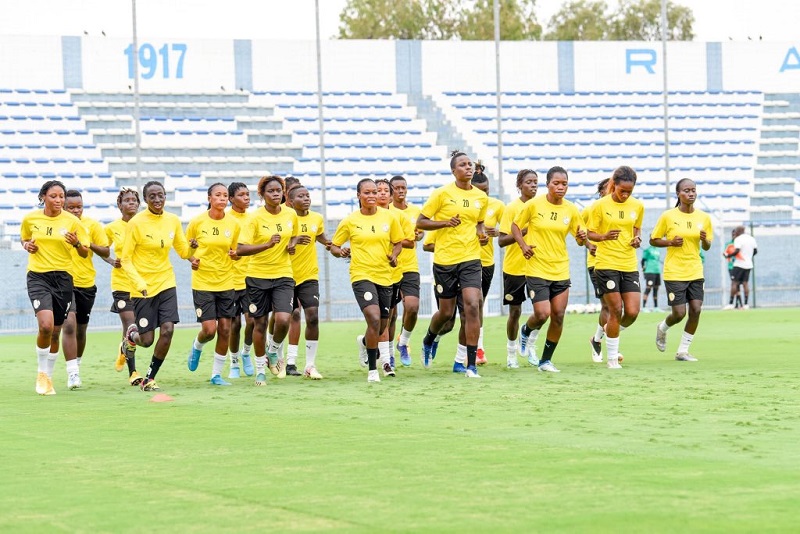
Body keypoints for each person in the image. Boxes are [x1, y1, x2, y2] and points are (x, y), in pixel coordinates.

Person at [417, 150, 488, 378]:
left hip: (470, 258)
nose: (468, 167)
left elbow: (479, 224)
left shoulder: (481, 197)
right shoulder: (441, 194)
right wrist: (445, 223)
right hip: (445, 261)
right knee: (446, 313)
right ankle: (429, 339)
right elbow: (421, 222)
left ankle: (469, 364)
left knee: (472, 306)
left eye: (470, 164)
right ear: (453, 171)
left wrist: (482, 234)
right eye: (463, 165)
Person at [120, 181, 194, 391]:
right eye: (152, 196)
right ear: (145, 200)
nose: (157, 200)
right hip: (142, 288)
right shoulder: (136, 223)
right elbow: (125, 259)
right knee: (146, 340)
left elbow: (183, 252)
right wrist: (139, 282)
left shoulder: (173, 220)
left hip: (166, 282)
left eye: (160, 195)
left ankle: (150, 377)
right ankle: (130, 338)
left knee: (168, 329)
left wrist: (192, 249)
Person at [511, 166, 586, 373]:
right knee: (542, 314)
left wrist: (583, 240)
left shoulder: (571, 209)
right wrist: (523, 245)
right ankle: (526, 330)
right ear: (548, 184)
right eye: (556, 183)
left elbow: (580, 237)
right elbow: (515, 226)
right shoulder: (534, 205)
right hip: (537, 268)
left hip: (561, 269)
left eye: (564, 184)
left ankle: (545, 361)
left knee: (559, 315)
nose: (561, 187)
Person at [330, 178, 403, 383]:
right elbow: (334, 246)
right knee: (373, 317)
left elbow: (397, 242)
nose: (371, 196)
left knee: (381, 325)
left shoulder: (389, 218)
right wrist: (340, 251)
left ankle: (364, 342)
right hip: (361, 275)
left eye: (374, 192)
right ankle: (373, 370)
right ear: (358, 196)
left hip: (385, 276)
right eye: (367, 193)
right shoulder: (350, 221)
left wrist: (394, 255)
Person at [21, 180, 89, 394]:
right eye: (54, 196)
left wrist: (77, 243)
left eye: (61, 196)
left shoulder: (72, 222)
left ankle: (48, 377)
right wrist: (27, 245)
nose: (59, 200)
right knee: (46, 326)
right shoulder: (30, 218)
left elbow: (85, 251)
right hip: (38, 276)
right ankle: (41, 374)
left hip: (63, 279)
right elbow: (24, 238)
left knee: (56, 331)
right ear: (43, 197)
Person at [236, 175, 299, 386]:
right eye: (270, 191)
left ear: (283, 193)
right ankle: (260, 371)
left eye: (278, 191)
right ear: (262, 195)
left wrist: (292, 243)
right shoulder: (254, 218)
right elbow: (240, 248)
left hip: (283, 275)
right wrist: (266, 245)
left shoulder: (291, 214)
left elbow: (294, 235)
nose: (275, 194)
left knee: (283, 319)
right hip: (257, 277)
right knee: (259, 324)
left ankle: (273, 350)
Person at [586, 165, 644, 369]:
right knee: (615, 309)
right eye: (622, 191)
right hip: (606, 264)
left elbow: (636, 229)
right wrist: (603, 236)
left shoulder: (637, 206)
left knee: (633, 311)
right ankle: (611, 359)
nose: (626, 195)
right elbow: (589, 233)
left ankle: (604, 332)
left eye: (630, 191)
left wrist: (637, 239)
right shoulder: (599, 206)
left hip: (629, 264)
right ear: (614, 185)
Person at [651, 178, 713, 361]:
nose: (691, 193)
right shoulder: (668, 216)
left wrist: (704, 240)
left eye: (693, 190)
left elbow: (708, 246)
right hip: (674, 271)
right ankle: (662, 328)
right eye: (687, 190)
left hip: (695, 270)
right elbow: (653, 239)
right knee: (679, 313)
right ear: (678, 194)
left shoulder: (704, 218)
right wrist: (670, 242)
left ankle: (683, 351)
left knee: (696, 309)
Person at [185, 183, 241, 385]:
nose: (222, 198)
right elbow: (186, 250)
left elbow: (234, 251)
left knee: (225, 329)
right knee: (209, 330)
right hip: (203, 283)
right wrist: (193, 259)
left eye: (225, 195)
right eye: (218, 195)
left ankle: (216, 375)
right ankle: (197, 345)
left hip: (226, 282)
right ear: (209, 198)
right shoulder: (197, 222)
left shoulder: (233, 224)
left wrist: (235, 255)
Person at [59, 189, 110, 372]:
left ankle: (77, 363)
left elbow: (106, 251)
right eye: (71, 207)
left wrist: (86, 244)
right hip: (64, 282)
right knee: (69, 324)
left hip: (86, 282)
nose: (75, 211)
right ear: (64, 207)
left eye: (79, 207)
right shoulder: (59, 224)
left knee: (81, 329)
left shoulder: (92, 226)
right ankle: (72, 371)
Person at [284, 184, 330, 379]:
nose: (306, 199)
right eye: (301, 196)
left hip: (309, 275)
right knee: (291, 316)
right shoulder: (285, 218)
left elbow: (320, 237)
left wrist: (331, 245)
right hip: (285, 275)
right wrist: (292, 244)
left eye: (308, 195)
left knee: (312, 316)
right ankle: (288, 360)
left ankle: (309, 365)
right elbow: (278, 244)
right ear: (291, 202)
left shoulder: (316, 218)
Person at [497, 169, 538, 368]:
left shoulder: (542, 207)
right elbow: (502, 240)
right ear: (519, 185)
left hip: (539, 267)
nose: (533, 185)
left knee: (542, 311)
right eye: (529, 182)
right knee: (515, 312)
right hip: (514, 268)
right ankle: (511, 353)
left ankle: (530, 343)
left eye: (535, 182)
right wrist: (521, 232)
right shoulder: (511, 208)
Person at [105, 187, 144, 385]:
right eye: (127, 200)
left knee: (137, 329)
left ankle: (123, 348)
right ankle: (134, 372)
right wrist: (111, 260)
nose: (132, 203)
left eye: (135, 200)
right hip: (121, 284)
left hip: (141, 284)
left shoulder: (145, 225)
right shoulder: (112, 227)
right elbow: (100, 247)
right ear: (120, 205)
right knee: (130, 325)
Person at [470, 164, 505, 365]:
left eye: (487, 191)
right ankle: (434, 338)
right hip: (463, 260)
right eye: (480, 191)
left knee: (478, 304)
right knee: (458, 311)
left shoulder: (497, 206)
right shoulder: (465, 204)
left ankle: (479, 348)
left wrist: (496, 232)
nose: (484, 195)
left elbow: (510, 229)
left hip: (486, 262)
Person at [584, 178, 620, 364]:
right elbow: (580, 231)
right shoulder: (592, 209)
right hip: (597, 263)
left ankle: (597, 339)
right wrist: (589, 244)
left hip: (619, 263)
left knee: (619, 307)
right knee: (609, 306)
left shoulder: (622, 208)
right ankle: (609, 345)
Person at [389, 175, 424, 367]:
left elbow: (419, 233)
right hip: (388, 267)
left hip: (410, 266)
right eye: (397, 188)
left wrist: (419, 235)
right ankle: (388, 355)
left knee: (412, 307)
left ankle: (403, 342)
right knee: (391, 315)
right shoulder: (386, 211)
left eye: (404, 187)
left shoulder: (415, 211)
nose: (401, 191)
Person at [226, 182, 255, 378]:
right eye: (242, 195)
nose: (246, 198)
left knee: (252, 321)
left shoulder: (254, 219)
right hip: (229, 279)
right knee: (234, 324)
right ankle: (234, 361)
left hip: (251, 278)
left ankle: (246, 353)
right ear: (230, 199)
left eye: (248, 194)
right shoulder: (225, 219)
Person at [725, 226, 758, 310]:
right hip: (749, 264)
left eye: (735, 231)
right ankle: (746, 304)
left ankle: (731, 303)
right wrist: (749, 257)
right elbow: (755, 251)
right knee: (745, 283)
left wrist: (728, 255)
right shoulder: (751, 239)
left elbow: (737, 251)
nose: (734, 233)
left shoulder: (738, 239)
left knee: (734, 283)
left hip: (739, 264)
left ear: (738, 231)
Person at [722, 230, 742, 308]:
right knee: (735, 284)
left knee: (737, 285)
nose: (734, 236)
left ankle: (737, 304)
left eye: (735, 234)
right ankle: (737, 304)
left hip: (740, 266)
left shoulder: (740, 244)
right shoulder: (729, 244)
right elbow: (724, 253)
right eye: (733, 234)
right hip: (731, 267)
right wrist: (727, 255)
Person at [640, 245, 662, 311]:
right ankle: (644, 307)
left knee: (656, 289)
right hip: (649, 271)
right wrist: (644, 271)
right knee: (648, 288)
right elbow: (643, 261)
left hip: (657, 271)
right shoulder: (648, 250)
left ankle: (656, 307)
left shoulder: (658, 249)